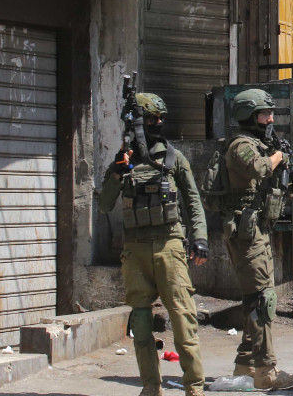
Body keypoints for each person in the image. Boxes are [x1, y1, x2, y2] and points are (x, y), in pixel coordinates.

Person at [97, 93, 207, 396]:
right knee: (141, 322)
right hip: (135, 250)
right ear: (137, 123)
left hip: (169, 245)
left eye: (160, 118)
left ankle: (194, 389)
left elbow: (193, 200)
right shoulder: (124, 160)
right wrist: (117, 172)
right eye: (151, 119)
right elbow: (104, 205)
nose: (157, 123)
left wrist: (200, 237)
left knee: (183, 319)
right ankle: (151, 387)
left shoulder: (173, 157)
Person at [219, 89, 293, 390]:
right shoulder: (241, 145)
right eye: (265, 114)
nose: (270, 119)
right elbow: (258, 167)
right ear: (248, 115)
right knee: (262, 299)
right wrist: (279, 156)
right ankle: (267, 371)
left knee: (255, 299)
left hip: (257, 229)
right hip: (246, 231)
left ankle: (246, 366)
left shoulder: (260, 144)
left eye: (270, 113)